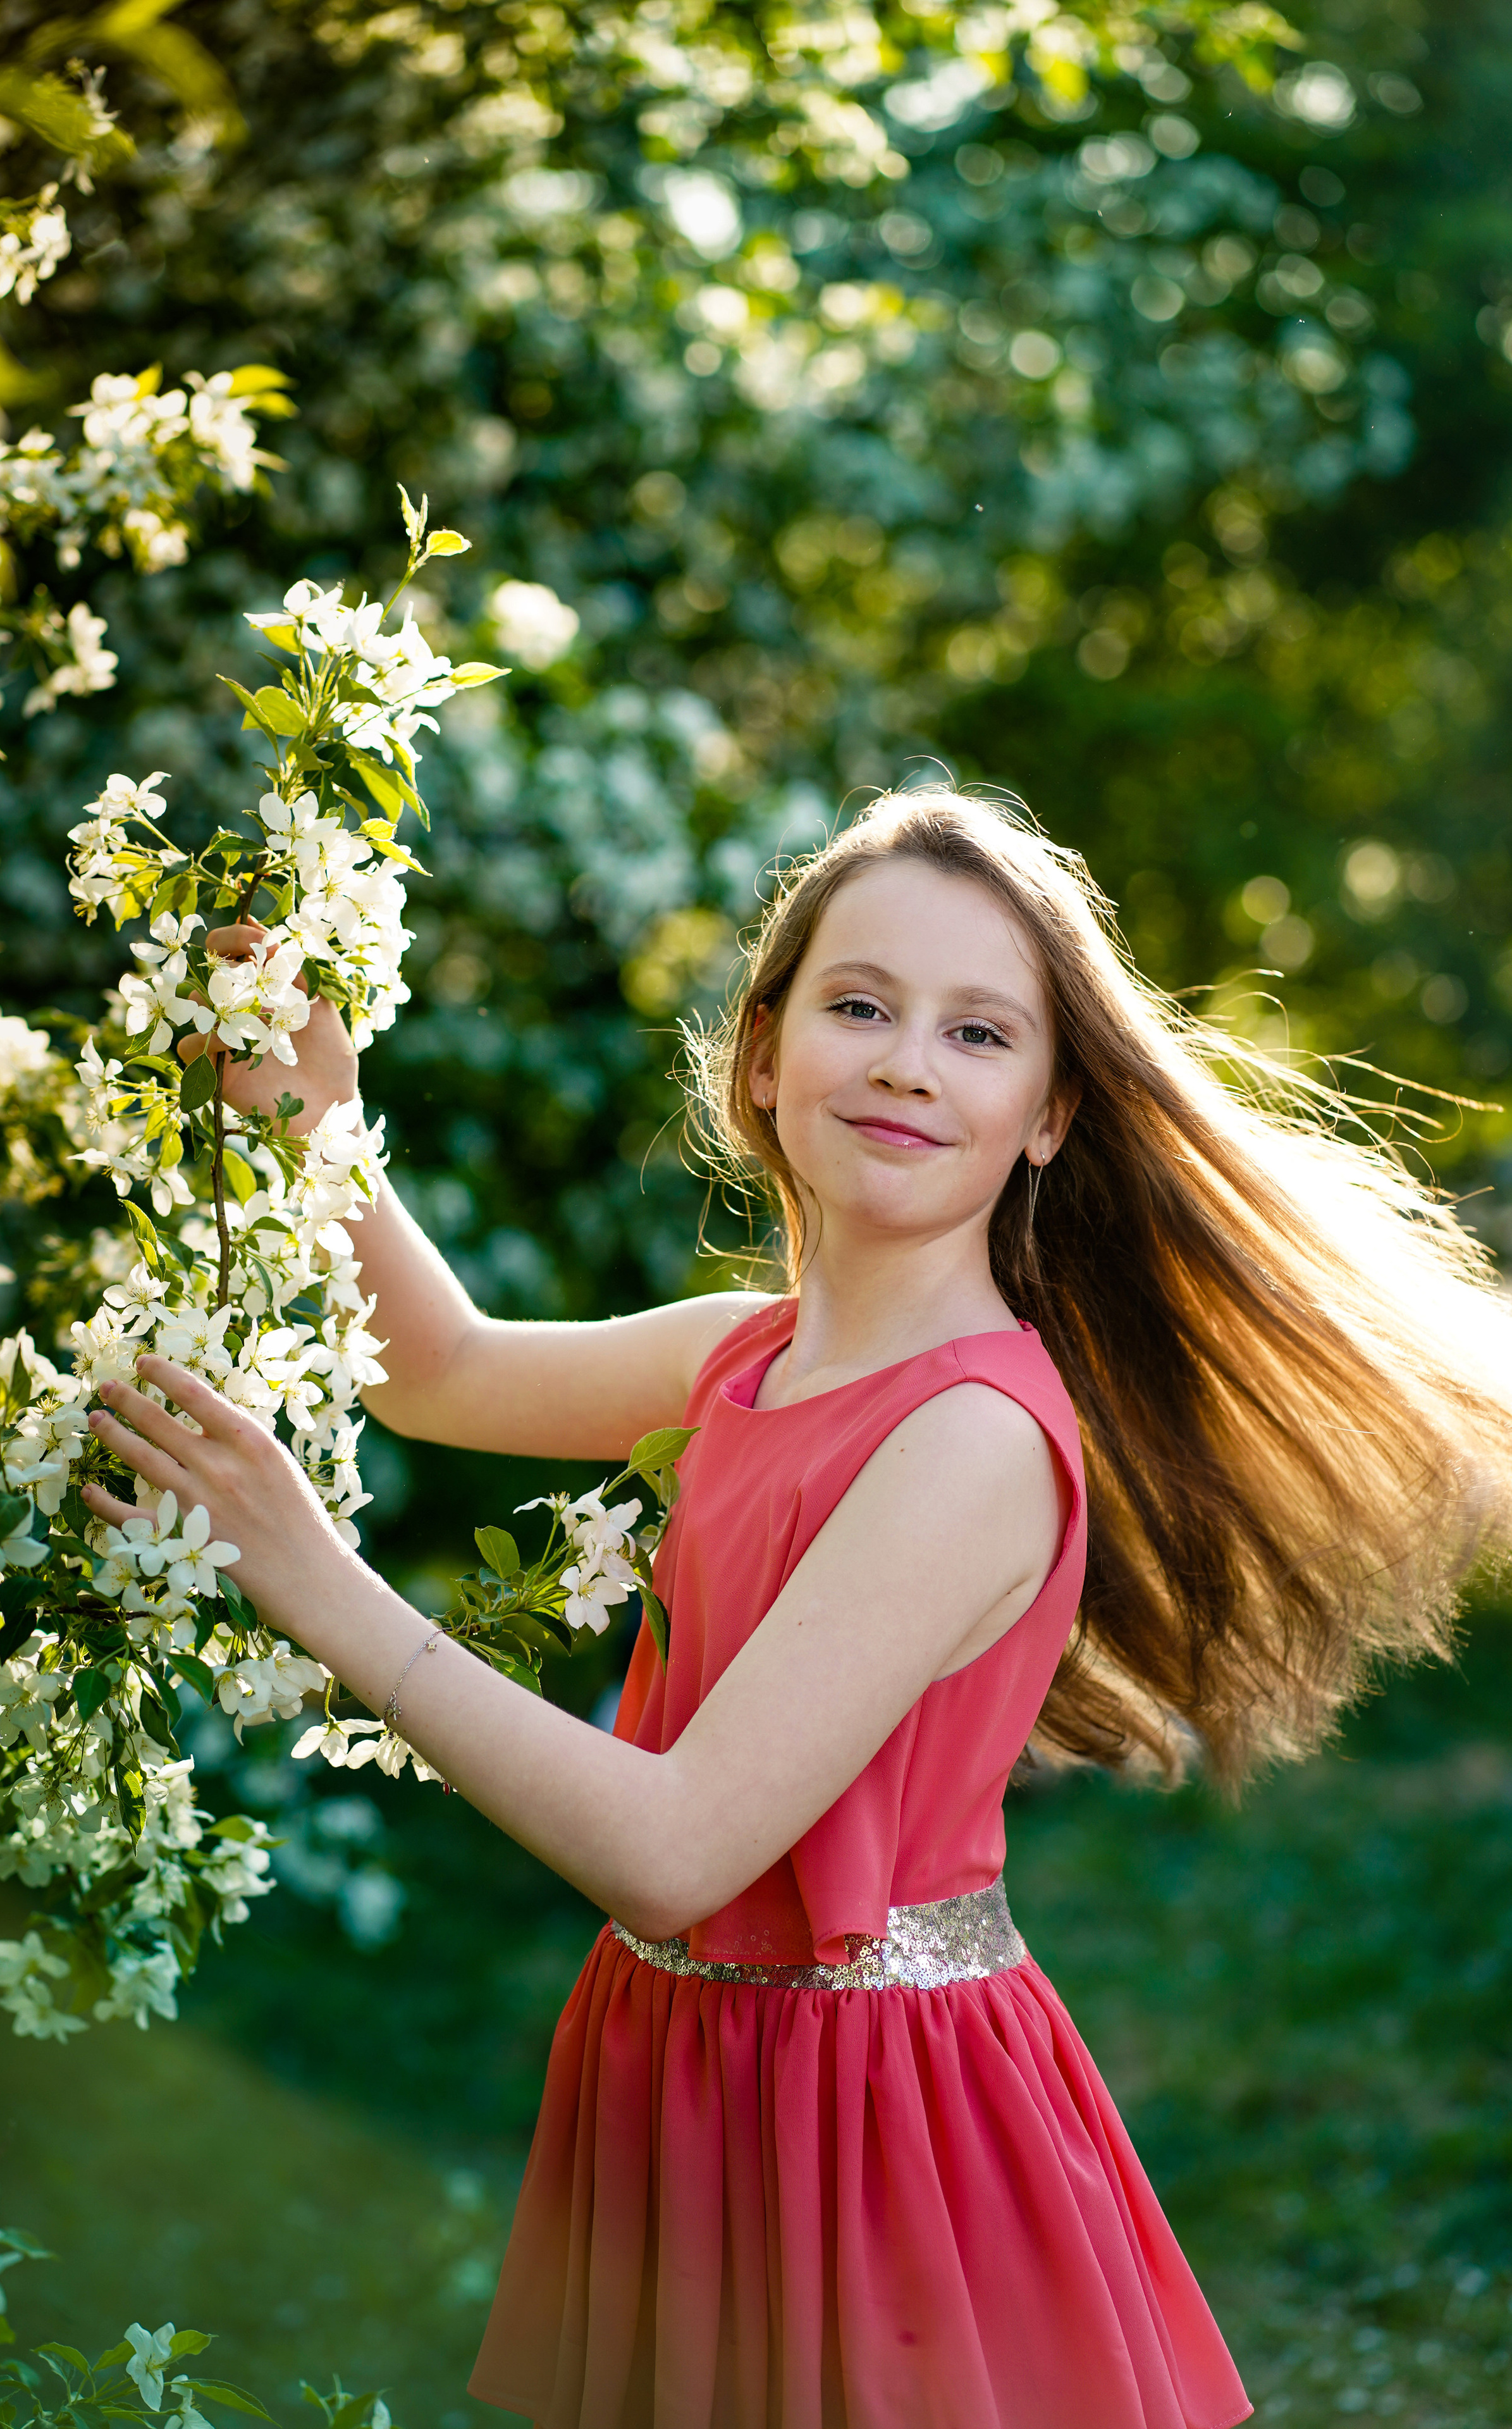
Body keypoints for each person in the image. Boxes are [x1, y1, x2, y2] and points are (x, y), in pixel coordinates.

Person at [83, 788, 1512, 2429]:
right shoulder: (742, 1356)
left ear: (1049, 1115)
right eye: (859, 1006)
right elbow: (444, 1371)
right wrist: (309, 1117)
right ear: (763, 1055)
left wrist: (318, 1585)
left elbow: (680, 1849)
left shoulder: (972, 1438)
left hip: (879, 2120)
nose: (908, 1061)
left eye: (981, 1034)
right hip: (685, 2059)